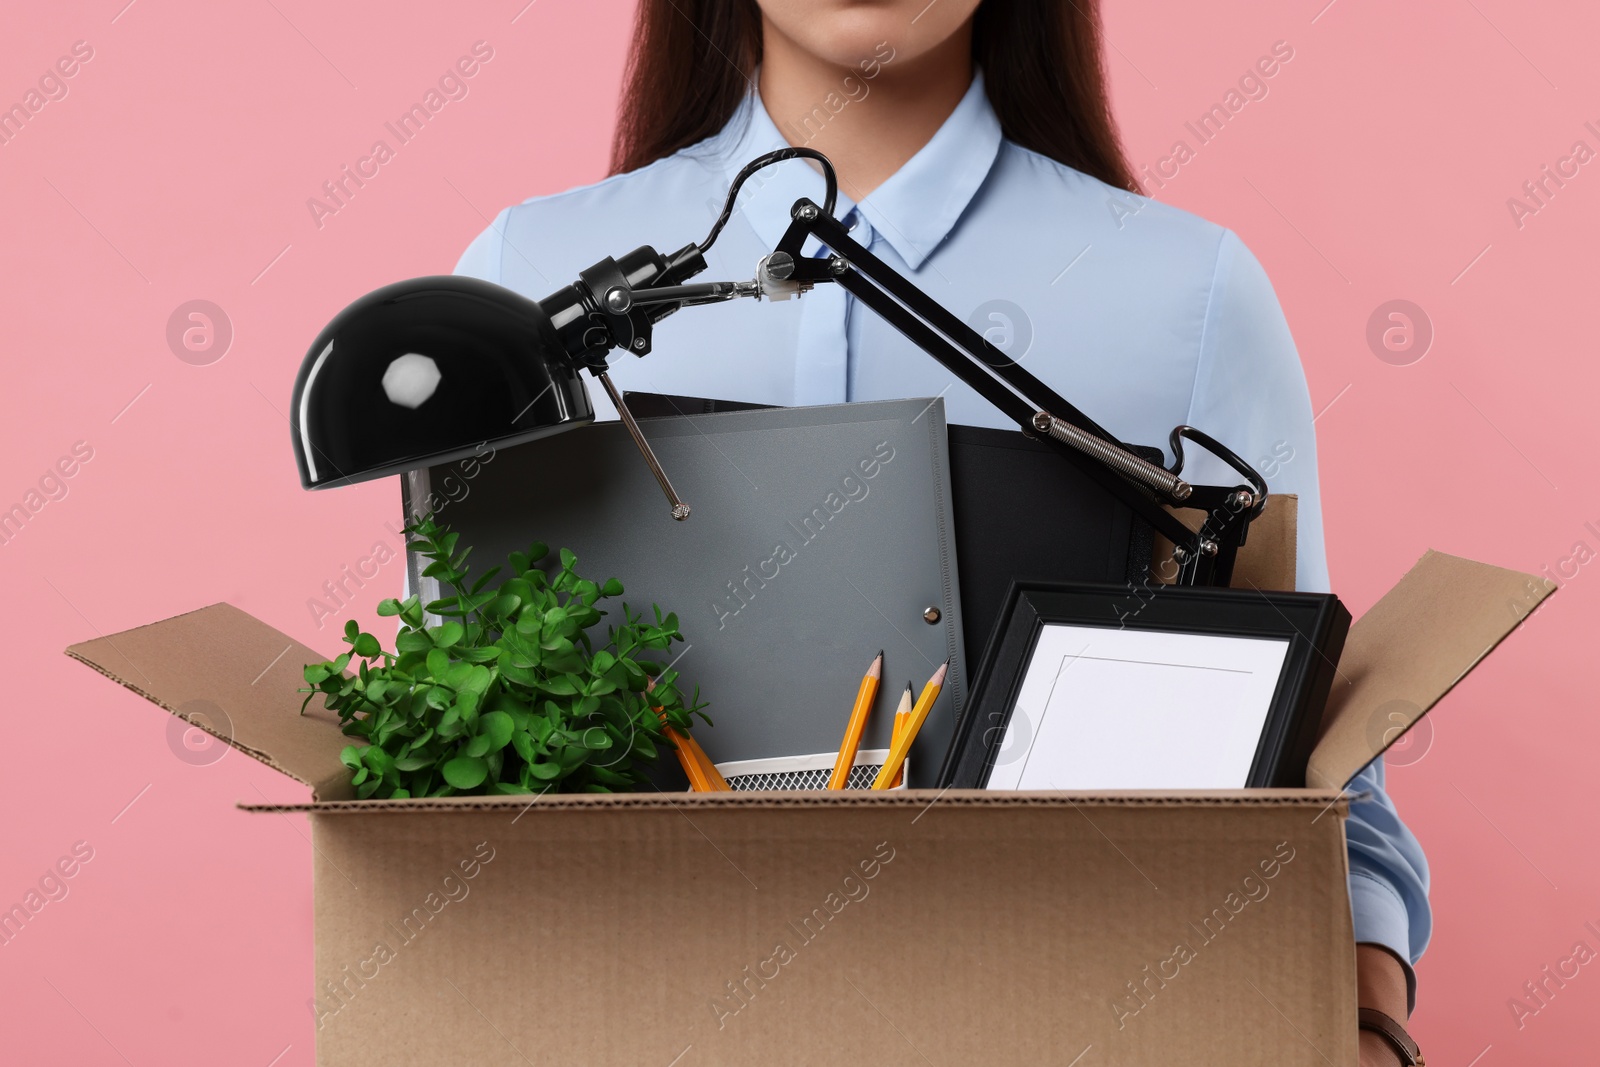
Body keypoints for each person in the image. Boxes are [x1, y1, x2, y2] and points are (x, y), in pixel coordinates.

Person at [454, 1, 1429, 1061]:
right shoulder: (524, 280)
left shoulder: (1186, 296)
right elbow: (446, 759)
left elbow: (1318, 770)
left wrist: (1370, 1023)